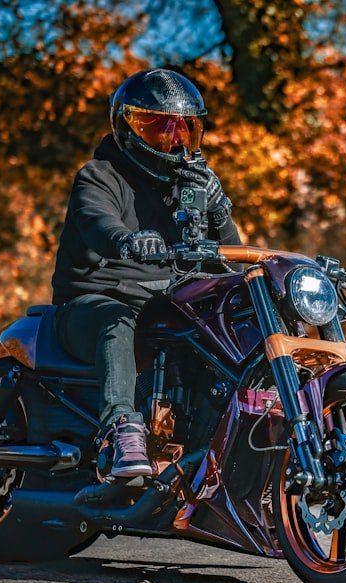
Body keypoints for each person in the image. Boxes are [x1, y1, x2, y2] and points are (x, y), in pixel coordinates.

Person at [50, 68, 240, 477]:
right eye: (158, 129)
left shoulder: (189, 189)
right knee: (118, 322)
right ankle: (121, 428)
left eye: (186, 130)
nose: (175, 142)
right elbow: (94, 219)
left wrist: (219, 209)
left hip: (161, 308)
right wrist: (124, 239)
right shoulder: (100, 176)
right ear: (128, 127)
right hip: (92, 304)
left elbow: (230, 260)